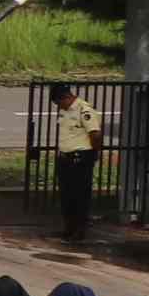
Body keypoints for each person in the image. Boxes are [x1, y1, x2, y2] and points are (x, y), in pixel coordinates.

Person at [52, 82, 103, 242]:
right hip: (65, 158)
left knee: (80, 196)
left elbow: (95, 134)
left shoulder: (84, 110)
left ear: (67, 97)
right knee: (66, 196)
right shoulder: (64, 110)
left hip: (80, 158)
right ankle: (69, 228)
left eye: (59, 102)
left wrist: (94, 153)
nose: (59, 106)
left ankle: (80, 230)